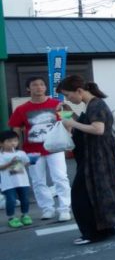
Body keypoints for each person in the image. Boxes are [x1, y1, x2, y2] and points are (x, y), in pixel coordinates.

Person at [56, 76, 115, 245]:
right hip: (98, 155)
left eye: (68, 95)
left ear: (79, 91)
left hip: (96, 156)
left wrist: (71, 121)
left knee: (81, 195)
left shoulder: (96, 104)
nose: (68, 99)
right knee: (99, 192)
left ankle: (93, 233)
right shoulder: (94, 104)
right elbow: (85, 123)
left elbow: (97, 129)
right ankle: (106, 229)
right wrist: (66, 112)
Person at [8, 76, 72, 221]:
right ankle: (47, 208)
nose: (39, 87)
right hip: (32, 149)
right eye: (35, 85)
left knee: (60, 177)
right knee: (38, 181)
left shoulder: (57, 103)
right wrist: (15, 148)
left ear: (45, 87)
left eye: (42, 84)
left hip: (55, 148)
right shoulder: (21, 109)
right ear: (28, 89)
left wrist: (68, 137)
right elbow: (16, 128)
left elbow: (68, 121)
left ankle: (64, 209)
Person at [1, 129, 34, 228]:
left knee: (25, 199)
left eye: (15, 141)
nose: (13, 143)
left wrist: (31, 161)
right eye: (9, 141)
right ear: (1, 143)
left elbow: (26, 163)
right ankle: (11, 217)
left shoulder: (21, 153)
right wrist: (10, 163)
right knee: (10, 200)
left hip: (22, 181)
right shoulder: (1, 155)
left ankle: (25, 215)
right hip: (8, 183)